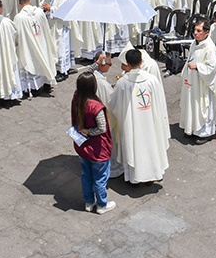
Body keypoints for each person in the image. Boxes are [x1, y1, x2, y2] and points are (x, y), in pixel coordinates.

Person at [108, 49, 170, 184]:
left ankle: (134, 179)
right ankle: (153, 174)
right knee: (151, 145)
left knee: (134, 147)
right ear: (141, 62)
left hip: (132, 123)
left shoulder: (122, 83)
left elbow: (113, 104)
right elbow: (160, 102)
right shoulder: (152, 80)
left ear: (127, 64)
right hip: (150, 122)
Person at [71, 72, 115, 214]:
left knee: (86, 175)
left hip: (83, 146)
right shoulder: (96, 106)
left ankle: (89, 202)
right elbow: (102, 128)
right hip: (98, 149)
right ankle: (102, 204)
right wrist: (88, 131)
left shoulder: (76, 98)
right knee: (100, 179)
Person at [180, 18, 216, 144]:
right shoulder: (195, 43)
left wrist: (198, 67)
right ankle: (192, 129)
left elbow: (212, 68)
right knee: (192, 105)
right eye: (195, 30)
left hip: (203, 84)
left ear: (206, 32)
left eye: (199, 31)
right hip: (193, 82)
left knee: (203, 107)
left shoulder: (209, 48)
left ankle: (205, 133)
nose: (195, 33)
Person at [15, 0, 58, 95]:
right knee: (44, 59)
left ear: (20, 4)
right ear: (30, 2)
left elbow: (17, 34)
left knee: (32, 62)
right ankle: (47, 83)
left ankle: (34, 87)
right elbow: (45, 26)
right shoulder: (39, 12)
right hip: (42, 40)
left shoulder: (19, 17)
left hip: (29, 45)